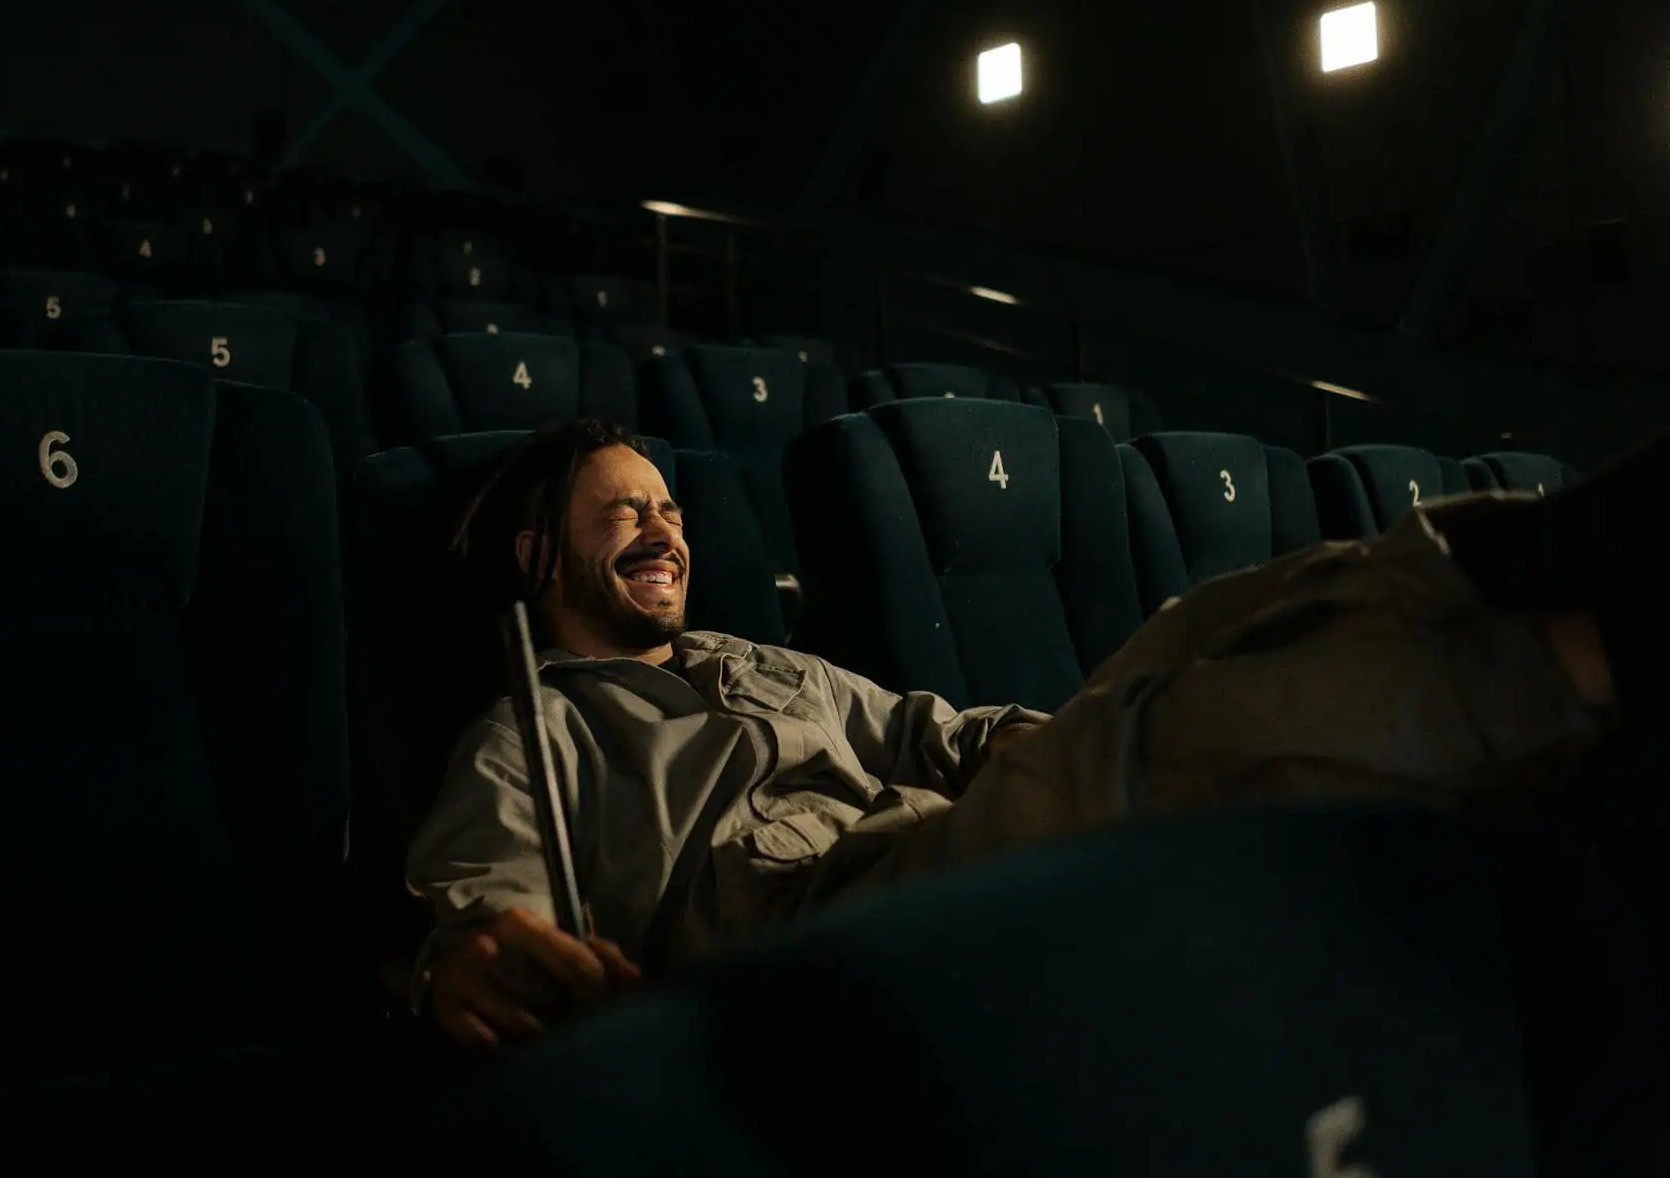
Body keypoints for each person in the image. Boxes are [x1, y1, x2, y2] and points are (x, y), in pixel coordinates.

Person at [407, 419, 1657, 1049]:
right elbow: (473, 916)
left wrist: (1048, 737)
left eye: (673, 508)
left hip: (960, 839)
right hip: (825, 930)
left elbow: (936, 730)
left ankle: (1550, 555)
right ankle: (1596, 662)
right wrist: (457, 962)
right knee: (1171, 742)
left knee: (1202, 623)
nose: (668, 529)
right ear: (536, 555)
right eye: (625, 511)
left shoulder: (764, 662)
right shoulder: (534, 725)